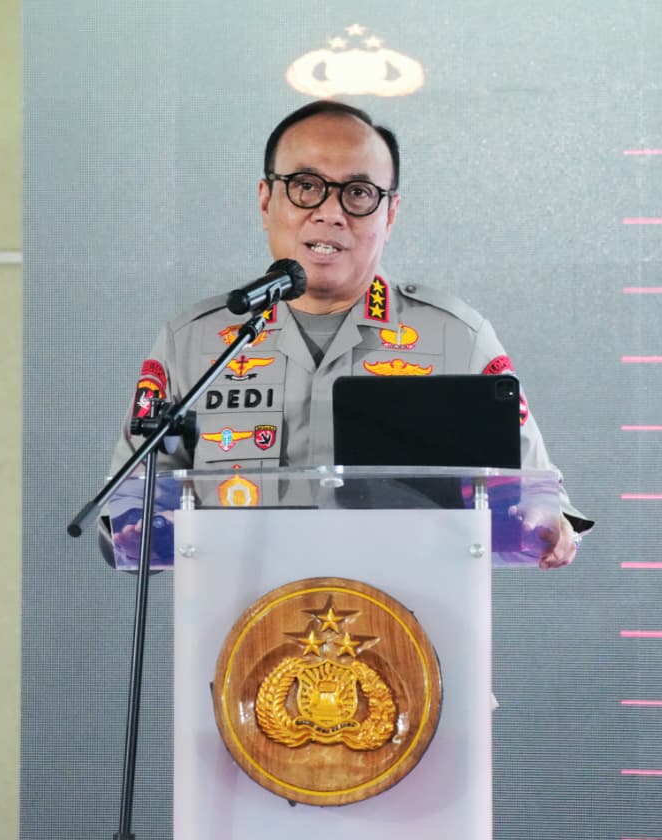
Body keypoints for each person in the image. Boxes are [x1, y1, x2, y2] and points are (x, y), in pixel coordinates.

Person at [106, 100, 592, 568]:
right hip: (237, 616)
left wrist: (546, 522)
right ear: (265, 200)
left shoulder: (457, 338)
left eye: (358, 193)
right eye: (306, 186)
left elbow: (536, 497)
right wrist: (140, 526)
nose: (330, 213)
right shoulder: (194, 342)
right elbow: (129, 506)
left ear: (390, 213)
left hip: (413, 615)